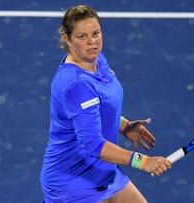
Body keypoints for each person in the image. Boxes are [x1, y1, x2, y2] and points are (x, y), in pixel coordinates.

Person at [40, 5, 171, 203]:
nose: (92, 42)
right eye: (82, 37)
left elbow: (97, 109)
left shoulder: (97, 60)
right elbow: (93, 144)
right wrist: (143, 161)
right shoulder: (76, 85)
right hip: (72, 183)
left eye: (96, 33)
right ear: (67, 39)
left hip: (105, 173)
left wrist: (123, 125)